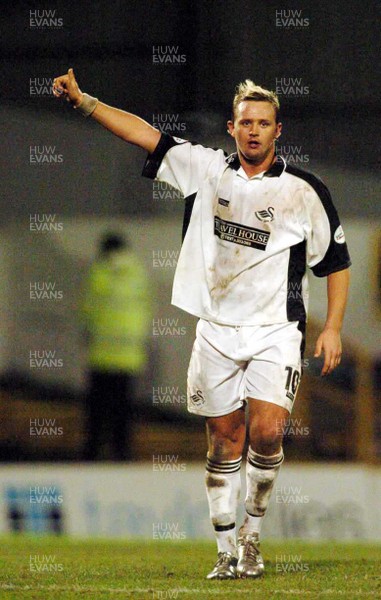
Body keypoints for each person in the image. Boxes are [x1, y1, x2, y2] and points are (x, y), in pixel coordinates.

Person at [53, 70, 351, 579]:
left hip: (276, 331)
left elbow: (336, 263)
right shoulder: (204, 169)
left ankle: (252, 540)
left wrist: (333, 327)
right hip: (215, 330)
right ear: (232, 129)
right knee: (223, 441)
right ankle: (224, 549)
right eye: (245, 122)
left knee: (269, 429)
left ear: (278, 130)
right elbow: (141, 133)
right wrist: (85, 102)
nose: (253, 130)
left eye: (263, 123)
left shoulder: (305, 191)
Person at [81, 232, 151, 460]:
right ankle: (122, 454)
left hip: (101, 354)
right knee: (123, 410)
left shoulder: (99, 273)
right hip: (129, 356)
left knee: (97, 411)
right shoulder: (139, 274)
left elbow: (87, 311)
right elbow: (146, 312)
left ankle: (92, 453)